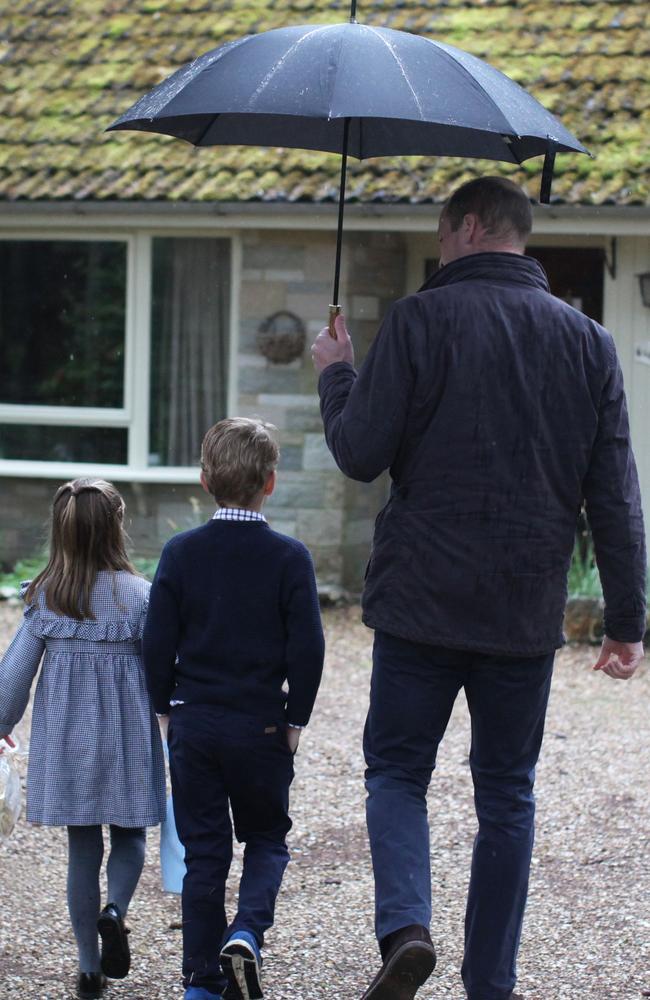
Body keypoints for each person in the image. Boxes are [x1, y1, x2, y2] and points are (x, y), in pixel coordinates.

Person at [310, 176, 647, 1000]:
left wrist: (337, 373)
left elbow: (359, 453)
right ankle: (491, 982)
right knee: (506, 795)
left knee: (395, 772)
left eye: (439, 232)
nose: (436, 247)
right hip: (521, 609)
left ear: (467, 226)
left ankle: (406, 929)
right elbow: (615, 493)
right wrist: (627, 622)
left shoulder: (419, 322)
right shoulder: (589, 342)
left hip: (419, 603)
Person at [143, 417, 325, 1000]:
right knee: (268, 836)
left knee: (205, 851)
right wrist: (295, 719)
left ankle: (200, 980)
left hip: (194, 722)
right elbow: (309, 648)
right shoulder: (289, 558)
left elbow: (157, 642)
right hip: (261, 725)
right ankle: (246, 931)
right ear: (270, 482)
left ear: (204, 480)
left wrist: (165, 711)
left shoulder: (181, 553)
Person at [0, 478, 166, 1000]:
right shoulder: (142, 598)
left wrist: (1, 724)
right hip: (128, 737)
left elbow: (15, 676)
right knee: (132, 836)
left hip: (68, 740)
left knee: (82, 849)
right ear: (117, 527)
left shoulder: (46, 596)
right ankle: (115, 910)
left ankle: (89, 969)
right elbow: (167, 671)